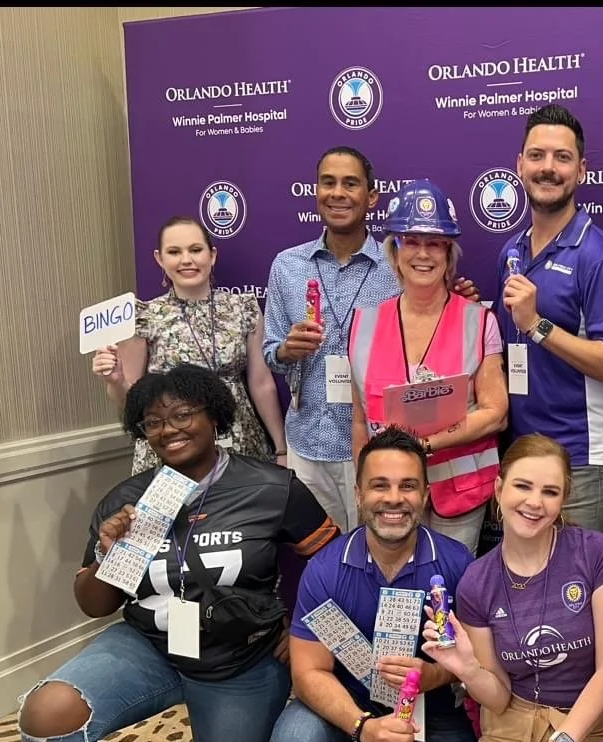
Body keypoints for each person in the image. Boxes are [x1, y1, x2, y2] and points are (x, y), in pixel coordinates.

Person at [17, 364, 339, 742]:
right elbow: (95, 605)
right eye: (153, 422)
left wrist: (303, 626)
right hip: (149, 645)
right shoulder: (129, 500)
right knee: (48, 709)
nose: (169, 430)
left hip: (240, 656)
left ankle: (249, 727)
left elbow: (334, 561)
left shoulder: (270, 486)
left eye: (184, 414)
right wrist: (108, 553)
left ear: (215, 416)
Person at [421, 434, 603, 742]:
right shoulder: (477, 581)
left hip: (590, 725)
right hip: (511, 725)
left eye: (550, 491)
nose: (534, 502)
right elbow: (497, 695)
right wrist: (467, 670)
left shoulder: (597, 554)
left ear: (563, 500)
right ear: (499, 489)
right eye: (523, 486)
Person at [268, 426, 478, 742]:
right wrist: (364, 728)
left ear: (424, 494)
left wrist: (433, 674)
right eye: (380, 485)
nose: (394, 499)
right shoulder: (325, 571)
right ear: (359, 494)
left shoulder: (459, 564)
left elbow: (477, 663)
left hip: (430, 712)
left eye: (407, 486)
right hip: (349, 707)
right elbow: (307, 672)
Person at [264, 146, 479, 531]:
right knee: (326, 560)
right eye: (328, 183)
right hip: (308, 442)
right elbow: (270, 353)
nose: (338, 193)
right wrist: (284, 350)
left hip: (380, 445)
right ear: (315, 191)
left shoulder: (399, 263)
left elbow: (436, 313)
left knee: (383, 554)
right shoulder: (287, 266)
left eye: (350, 183)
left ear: (372, 196)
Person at [493, 104, 603, 534]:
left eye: (562, 158)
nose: (548, 168)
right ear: (520, 165)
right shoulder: (512, 251)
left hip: (582, 460)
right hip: (524, 456)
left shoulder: (597, 255)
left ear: (581, 170)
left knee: (578, 592)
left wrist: (538, 324)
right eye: (537, 156)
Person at [350, 179, 507, 554]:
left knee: (448, 592)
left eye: (435, 242)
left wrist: (424, 445)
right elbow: (359, 419)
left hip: (458, 498)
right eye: (412, 241)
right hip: (390, 498)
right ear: (395, 250)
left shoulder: (479, 320)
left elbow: (495, 413)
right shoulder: (363, 323)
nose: (423, 254)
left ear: (449, 251)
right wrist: (365, 486)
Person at [93, 216, 287, 474]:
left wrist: (280, 447)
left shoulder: (244, 308)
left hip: (240, 440)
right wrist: (114, 381)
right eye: (174, 252)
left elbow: (262, 383)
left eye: (196, 250)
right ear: (159, 259)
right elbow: (130, 400)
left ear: (212, 255)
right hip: (171, 444)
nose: (186, 260)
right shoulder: (143, 316)